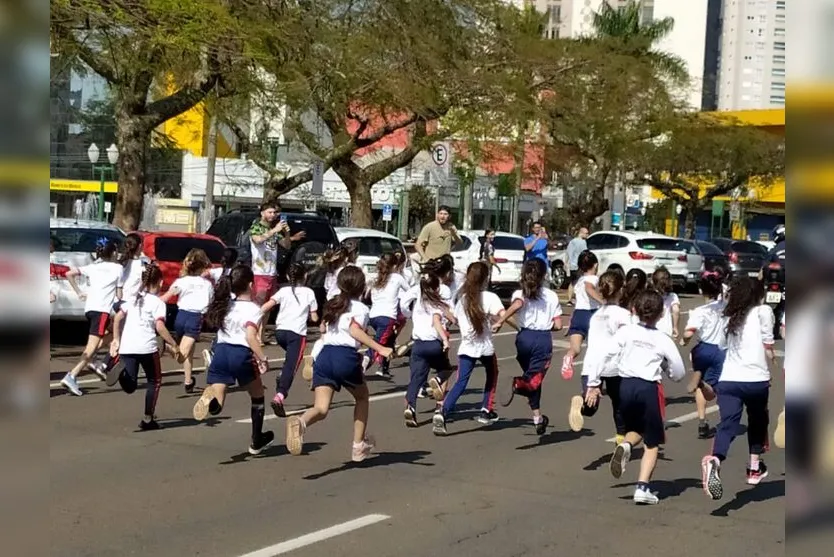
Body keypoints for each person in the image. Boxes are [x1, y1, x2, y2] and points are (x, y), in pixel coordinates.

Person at [284, 266, 392, 461]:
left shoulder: (333, 304)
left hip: (325, 356)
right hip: (345, 356)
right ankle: (358, 445)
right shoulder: (360, 308)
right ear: (361, 288)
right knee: (362, 397)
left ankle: (301, 422)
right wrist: (380, 348)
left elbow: (323, 327)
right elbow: (355, 331)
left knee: (321, 408)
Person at [605, 290, 686, 505]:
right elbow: (678, 370)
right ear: (661, 315)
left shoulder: (625, 332)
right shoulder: (662, 338)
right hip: (648, 387)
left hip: (625, 385)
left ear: (635, 309)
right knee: (652, 441)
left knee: (636, 429)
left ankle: (626, 445)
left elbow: (609, 353)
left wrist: (598, 381)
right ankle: (642, 487)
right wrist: (669, 371)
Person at [701, 276, 775, 501]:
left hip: (729, 379)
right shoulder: (763, 311)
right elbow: (768, 341)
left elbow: (723, 346)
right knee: (758, 420)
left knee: (727, 425)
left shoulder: (730, 316)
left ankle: (715, 459)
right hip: (756, 379)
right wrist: (771, 356)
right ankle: (754, 467)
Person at [192, 265, 274, 455]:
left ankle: (210, 400)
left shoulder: (225, 305)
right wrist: (262, 358)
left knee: (218, 401)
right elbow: (251, 336)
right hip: (241, 354)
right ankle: (256, 440)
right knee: (257, 394)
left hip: (221, 353)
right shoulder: (254, 310)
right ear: (251, 285)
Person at [432, 261, 506, 436]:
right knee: (493, 374)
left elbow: (456, 319)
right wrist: (498, 323)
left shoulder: (463, 299)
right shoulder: (490, 298)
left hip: (467, 346)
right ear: (485, 278)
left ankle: (443, 411)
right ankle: (486, 410)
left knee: (461, 382)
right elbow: (503, 315)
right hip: (485, 346)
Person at [492, 258, 562, 435]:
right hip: (542, 340)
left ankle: (537, 418)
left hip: (523, 339)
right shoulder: (551, 296)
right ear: (545, 275)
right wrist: (548, 325)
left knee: (533, 380)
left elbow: (517, 305)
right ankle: (516, 384)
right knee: (532, 379)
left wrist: (501, 320)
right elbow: (559, 325)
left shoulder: (520, 292)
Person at [107, 264, 180, 431]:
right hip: (147, 347)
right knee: (154, 382)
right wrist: (174, 343)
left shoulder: (132, 299)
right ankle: (148, 419)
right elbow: (160, 327)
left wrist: (116, 340)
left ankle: (122, 374)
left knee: (131, 386)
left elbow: (117, 318)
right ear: (160, 283)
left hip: (127, 346)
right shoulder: (157, 303)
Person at [573, 271, 631, 442]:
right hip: (613, 367)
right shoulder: (623, 315)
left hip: (591, 366)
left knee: (590, 407)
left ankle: (581, 403)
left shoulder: (596, 315)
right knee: (619, 406)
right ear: (621, 290)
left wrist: (594, 383)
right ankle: (621, 441)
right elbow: (627, 340)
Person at [61, 238, 124, 396]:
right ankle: (72, 375)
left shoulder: (92, 267)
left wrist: (79, 292)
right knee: (91, 346)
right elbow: (119, 293)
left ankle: (94, 361)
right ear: (113, 252)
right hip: (102, 311)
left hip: (90, 309)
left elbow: (69, 273)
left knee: (116, 332)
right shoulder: (117, 268)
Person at [260, 263, 318, 417]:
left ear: (287, 276)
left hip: (280, 333)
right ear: (305, 276)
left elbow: (267, 306)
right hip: (297, 334)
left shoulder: (283, 290)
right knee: (292, 366)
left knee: (289, 360)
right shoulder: (309, 292)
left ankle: (282, 375)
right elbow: (314, 317)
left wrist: (255, 316)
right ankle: (280, 395)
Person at [679, 269, 728, 439]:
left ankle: (702, 421)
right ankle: (725, 419)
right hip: (720, 350)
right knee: (715, 389)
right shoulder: (725, 308)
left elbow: (688, 334)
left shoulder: (699, 311)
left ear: (701, 291)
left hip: (702, 350)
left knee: (704, 382)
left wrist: (683, 341)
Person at [403, 271, 455, 428]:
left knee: (416, 379)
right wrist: (445, 339)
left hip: (418, 345)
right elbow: (439, 321)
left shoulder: (418, 303)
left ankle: (410, 407)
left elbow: (404, 305)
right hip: (434, 344)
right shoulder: (438, 304)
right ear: (436, 288)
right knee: (446, 369)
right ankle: (437, 382)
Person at [160, 249, 213, 393]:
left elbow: (166, 297)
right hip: (194, 319)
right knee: (181, 355)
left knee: (189, 351)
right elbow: (210, 302)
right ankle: (167, 347)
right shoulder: (206, 284)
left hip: (180, 317)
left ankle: (188, 380)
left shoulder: (181, 282)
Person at [249, 202, 303, 343]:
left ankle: (260, 336)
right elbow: (257, 239)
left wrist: (286, 232)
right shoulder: (256, 226)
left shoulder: (275, 229)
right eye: (270, 212)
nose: (272, 215)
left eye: (274, 213)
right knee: (258, 306)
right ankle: (252, 334)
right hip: (259, 272)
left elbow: (286, 245)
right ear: (262, 213)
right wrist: (274, 231)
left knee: (269, 306)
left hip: (272, 272)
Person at [366, 253, 409, 379]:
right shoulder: (396, 277)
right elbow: (410, 291)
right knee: (377, 345)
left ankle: (384, 367)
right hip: (387, 316)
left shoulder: (375, 277)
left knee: (389, 339)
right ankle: (361, 366)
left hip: (373, 316)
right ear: (395, 265)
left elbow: (367, 295)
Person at [562, 250, 603, 380]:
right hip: (591, 314)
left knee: (575, 348)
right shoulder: (593, 279)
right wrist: (604, 302)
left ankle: (569, 357)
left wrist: (571, 321)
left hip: (578, 314)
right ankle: (592, 377)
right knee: (595, 349)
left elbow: (579, 300)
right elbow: (589, 288)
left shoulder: (579, 280)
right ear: (595, 265)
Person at [116, 233, 147, 309]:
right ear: (140, 246)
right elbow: (143, 285)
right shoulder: (142, 265)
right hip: (131, 303)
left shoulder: (120, 262)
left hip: (116, 301)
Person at [651, 267, 680, 338]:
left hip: (652, 327)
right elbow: (676, 310)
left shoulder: (651, 295)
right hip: (666, 329)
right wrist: (675, 327)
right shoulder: (672, 296)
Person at [565, 227, 589, 306]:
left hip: (572, 265)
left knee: (572, 282)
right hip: (579, 265)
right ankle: (577, 299)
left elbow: (568, 253)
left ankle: (569, 300)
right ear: (581, 233)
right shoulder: (583, 242)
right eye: (586, 233)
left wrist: (566, 263)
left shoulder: (572, 242)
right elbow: (585, 253)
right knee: (579, 283)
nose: (587, 235)